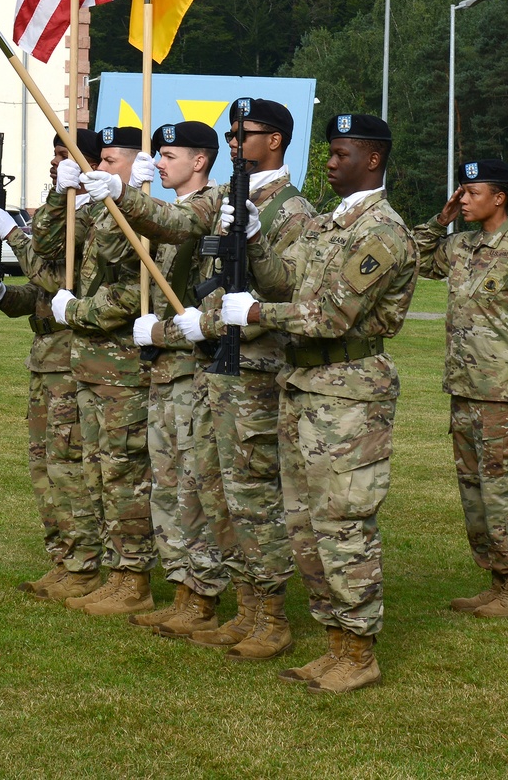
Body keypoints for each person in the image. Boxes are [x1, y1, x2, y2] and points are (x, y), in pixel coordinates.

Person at [104, 99, 315, 660]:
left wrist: (202, 322)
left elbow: (287, 293)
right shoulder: (225, 197)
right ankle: (243, 607)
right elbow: (178, 222)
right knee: (216, 495)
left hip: (258, 371)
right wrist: (125, 193)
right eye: (231, 133)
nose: (235, 142)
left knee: (252, 499)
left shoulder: (294, 213)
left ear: (276, 140)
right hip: (215, 370)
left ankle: (269, 614)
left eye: (246, 134)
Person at [222, 113, 417, 694]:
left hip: (350, 392)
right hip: (304, 388)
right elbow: (286, 284)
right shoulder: (333, 226)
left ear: (373, 158)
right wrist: (255, 240)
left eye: (341, 154)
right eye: (329, 153)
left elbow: (331, 315)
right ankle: (335, 643)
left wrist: (255, 315)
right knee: (305, 527)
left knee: (344, 524)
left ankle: (359, 651)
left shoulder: (380, 231)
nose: (330, 163)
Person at [413, 159, 508, 618]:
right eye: (460, 191)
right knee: (473, 490)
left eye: (471, 192)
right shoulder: (461, 245)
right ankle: (496, 580)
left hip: (503, 392)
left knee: (503, 489)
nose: (462, 198)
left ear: (499, 198)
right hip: (464, 387)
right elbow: (418, 259)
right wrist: (439, 221)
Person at [0, 129, 105, 603]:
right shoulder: (62, 212)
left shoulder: (94, 218)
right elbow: (45, 292)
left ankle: (84, 563)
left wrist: (12, 234)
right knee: (44, 465)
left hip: (74, 356)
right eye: (53, 156)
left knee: (69, 464)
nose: (55, 164)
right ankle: (63, 557)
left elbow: (59, 278)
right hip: (46, 356)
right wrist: (3, 296)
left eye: (64, 157)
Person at [35, 126, 156, 616]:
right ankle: (110, 568)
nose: (98, 170)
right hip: (89, 365)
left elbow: (136, 284)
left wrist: (138, 199)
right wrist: (58, 192)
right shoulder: (102, 216)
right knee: (95, 472)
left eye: (109, 161)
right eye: (97, 161)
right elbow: (47, 246)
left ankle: (132, 579)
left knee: (125, 474)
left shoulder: (145, 216)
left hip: (123, 366)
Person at [123, 121, 230, 639]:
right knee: (167, 484)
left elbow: (176, 224)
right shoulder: (170, 209)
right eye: (158, 156)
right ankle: (181, 584)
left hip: (193, 368)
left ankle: (202, 593)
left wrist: (125, 191)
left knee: (194, 485)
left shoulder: (211, 206)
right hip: (163, 370)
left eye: (169, 155)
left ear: (200, 161)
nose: (161, 163)